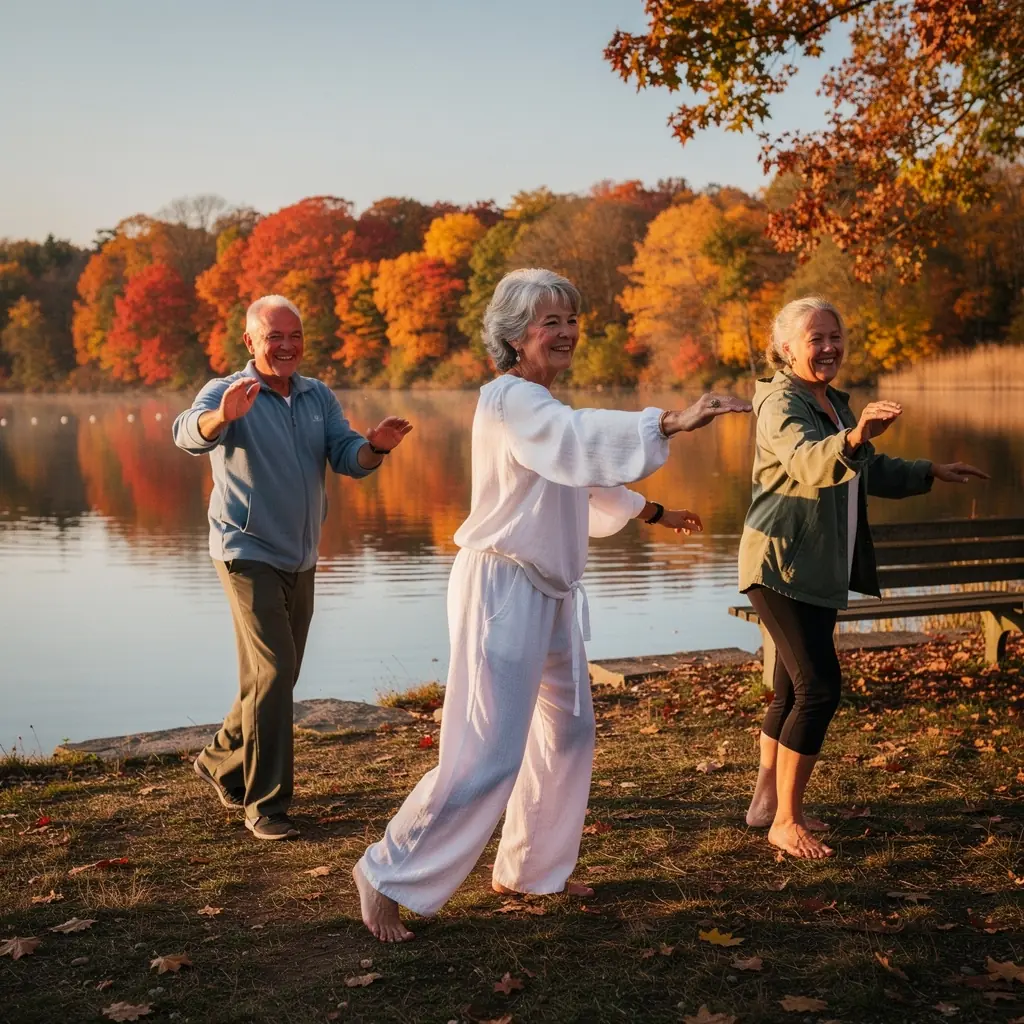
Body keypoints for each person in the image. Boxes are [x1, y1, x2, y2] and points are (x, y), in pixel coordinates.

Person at [353, 267, 751, 941]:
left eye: (571, 320)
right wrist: (672, 421)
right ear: (514, 336)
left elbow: (577, 473)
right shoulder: (511, 399)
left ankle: (531, 868)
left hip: (553, 590)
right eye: (550, 321)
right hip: (502, 589)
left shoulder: (542, 407)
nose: (565, 332)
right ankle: (385, 873)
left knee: (567, 734)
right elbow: (573, 441)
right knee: (485, 754)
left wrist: (654, 511)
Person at [738, 296, 988, 859]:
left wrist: (930, 471)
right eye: (814, 339)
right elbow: (808, 461)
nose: (828, 348)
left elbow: (865, 468)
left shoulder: (830, 401)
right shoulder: (782, 403)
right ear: (785, 349)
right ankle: (786, 819)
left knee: (789, 689)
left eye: (835, 336)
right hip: (780, 562)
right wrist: (854, 438)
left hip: (817, 565)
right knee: (819, 689)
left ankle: (763, 805)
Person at [172, 295, 411, 841]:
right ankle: (267, 804)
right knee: (274, 672)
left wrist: (375, 448)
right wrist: (220, 417)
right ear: (251, 342)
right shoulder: (228, 392)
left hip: (300, 555)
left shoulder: (316, 395)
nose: (286, 345)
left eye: (294, 336)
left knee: (278, 674)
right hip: (244, 550)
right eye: (273, 336)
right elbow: (186, 433)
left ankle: (217, 759)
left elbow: (348, 457)